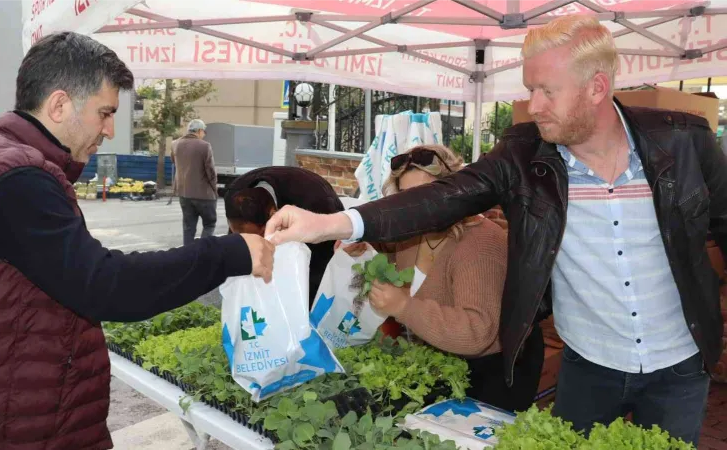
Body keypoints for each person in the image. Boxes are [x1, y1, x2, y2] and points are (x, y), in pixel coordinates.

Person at [265, 15, 727, 446]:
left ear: (596, 88)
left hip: (680, 364)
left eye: (546, 91)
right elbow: (442, 196)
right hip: (588, 365)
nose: (533, 106)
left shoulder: (685, 142)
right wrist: (333, 222)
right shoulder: (523, 153)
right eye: (530, 90)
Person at [0, 32, 273, 450]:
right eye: (104, 113)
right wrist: (228, 252)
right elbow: (107, 285)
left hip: (5, 408)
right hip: (11, 426)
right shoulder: (17, 181)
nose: (109, 129)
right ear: (59, 105)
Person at [341, 145, 543, 412]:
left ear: (454, 192)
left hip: (494, 368)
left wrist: (403, 307)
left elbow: (478, 332)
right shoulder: (412, 232)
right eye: (406, 197)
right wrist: (365, 245)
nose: (416, 208)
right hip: (444, 359)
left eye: (427, 196)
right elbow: (397, 261)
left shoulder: (480, 243)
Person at [224, 166, 344, 304]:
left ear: (274, 215)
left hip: (320, 245)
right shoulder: (235, 195)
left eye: (259, 235)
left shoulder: (317, 200)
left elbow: (325, 260)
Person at [171, 119, 218, 244]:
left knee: (188, 227)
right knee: (209, 224)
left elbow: (174, 161)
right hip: (204, 195)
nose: (204, 135)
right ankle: (203, 253)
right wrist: (215, 189)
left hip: (184, 193)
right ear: (199, 131)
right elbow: (211, 172)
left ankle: (188, 255)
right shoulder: (205, 146)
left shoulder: (175, 144)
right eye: (204, 132)